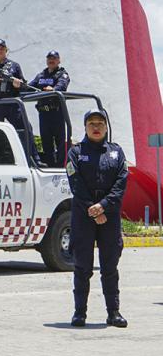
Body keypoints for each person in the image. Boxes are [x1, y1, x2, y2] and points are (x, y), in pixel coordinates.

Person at [66, 109, 128, 328]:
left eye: (100, 123)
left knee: (110, 267)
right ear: (85, 126)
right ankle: (79, 313)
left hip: (109, 217)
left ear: (106, 126)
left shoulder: (116, 152)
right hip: (83, 216)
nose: (96, 127)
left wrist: (103, 207)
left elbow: (121, 183)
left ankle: (114, 312)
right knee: (82, 266)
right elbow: (76, 183)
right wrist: (93, 210)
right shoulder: (75, 152)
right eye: (91, 123)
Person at [28, 51, 71, 167]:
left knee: (60, 143)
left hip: (56, 113)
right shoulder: (41, 75)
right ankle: (50, 166)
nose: (51, 60)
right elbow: (30, 86)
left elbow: (62, 85)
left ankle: (61, 168)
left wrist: (53, 89)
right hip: (43, 114)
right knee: (46, 143)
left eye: (54, 58)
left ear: (58, 60)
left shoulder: (62, 74)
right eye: (49, 58)